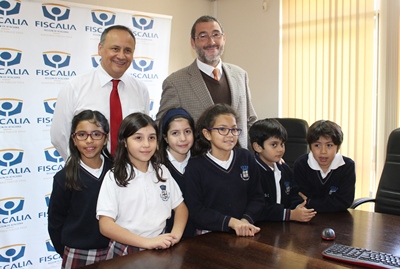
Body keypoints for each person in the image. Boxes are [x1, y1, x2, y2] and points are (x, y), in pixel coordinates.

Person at [155, 15, 257, 149]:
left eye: (216, 35)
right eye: (203, 36)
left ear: (224, 38)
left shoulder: (240, 75)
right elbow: (162, 126)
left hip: (240, 162)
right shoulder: (175, 82)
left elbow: (250, 121)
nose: (211, 41)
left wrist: (265, 152)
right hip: (198, 164)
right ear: (193, 43)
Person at [51, 25, 150, 160]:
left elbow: (143, 134)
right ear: (100, 49)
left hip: (131, 173)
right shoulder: (74, 87)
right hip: (89, 173)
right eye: (115, 49)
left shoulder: (140, 90)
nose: (121, 56)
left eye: (127, 50)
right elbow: (59, 137)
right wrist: (84, 169)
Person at [96, 112, 188, 258]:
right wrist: (147, 242)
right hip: (127, 249)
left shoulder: (162, 171)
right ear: (124, 142)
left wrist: (175, 235)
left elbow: (181, 208)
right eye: (138, 138)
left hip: (160, 244)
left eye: (151, 138)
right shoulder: (115, 177)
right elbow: (105, 225)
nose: (146, 144)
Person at [184, 103, 264, 237]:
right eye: (222, 129)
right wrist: (231, 222)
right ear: (207, 134)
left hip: (246, 230)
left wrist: (244, 222)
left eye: (234, 129)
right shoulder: (195, 167)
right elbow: (196, 211)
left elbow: (257, 198)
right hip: (209, 235)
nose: (230, 135)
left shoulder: (246, 158)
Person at [48, 110, 113, 269]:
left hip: (115, 249)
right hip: (78, 252)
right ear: (74, 139)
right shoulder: (64, 177)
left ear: (105, 139)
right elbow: (55, 221)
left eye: (96, 134)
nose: (89, 141)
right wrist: (64, 251)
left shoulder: (117, 171)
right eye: (82, 135)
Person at [249, 118, 316, 222]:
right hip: (260, 228)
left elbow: (294, 192)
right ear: (257, 147)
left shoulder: (283, 168)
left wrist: (299, 206)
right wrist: (290, 214)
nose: (280, 149)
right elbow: (258, 208)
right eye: (274, 145)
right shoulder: (252, 172)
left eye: (282, 144)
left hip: (282, 226)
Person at [293, 120, 356, 212]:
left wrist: (310, 202)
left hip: (338, 220)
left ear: (337, 147)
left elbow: (344, 202)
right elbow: (298, 199)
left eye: (329, 145)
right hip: (307, 217)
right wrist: (330, 203)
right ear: (310, 147)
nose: (323, 151)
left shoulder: (347, 166)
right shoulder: (301, 164)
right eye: (317, 145)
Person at [158, 107, 196, 238]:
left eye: (187, 131)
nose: (183, 138)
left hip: (198, 234)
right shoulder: (157, 167)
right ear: (165, 138)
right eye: (175, 133)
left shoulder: (201, 163)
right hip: (166, 235)